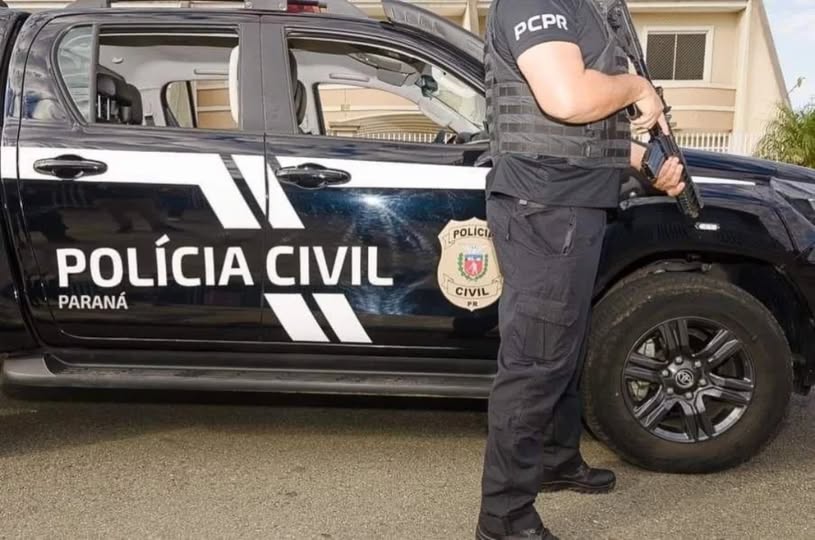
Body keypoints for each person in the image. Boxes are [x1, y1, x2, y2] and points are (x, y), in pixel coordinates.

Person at [476, 0, 685, 539]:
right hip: (546, 206)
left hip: (572, 201)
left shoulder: (582, 7)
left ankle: (554, 458)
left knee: (564, 348)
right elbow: (567, 99)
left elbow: (577, 131)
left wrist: (645, 163)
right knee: (536, 360)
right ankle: (504, 519)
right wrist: (638, 88)